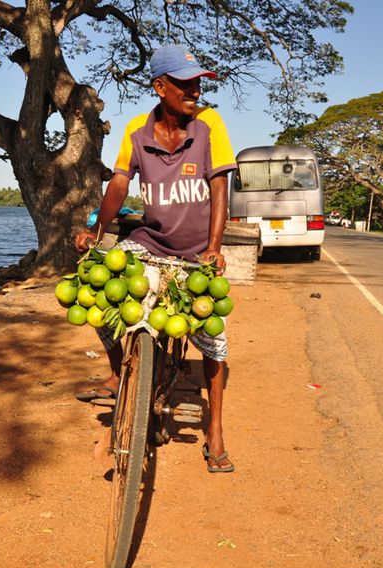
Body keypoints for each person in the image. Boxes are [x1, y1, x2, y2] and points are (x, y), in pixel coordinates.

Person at [73, 45, 236, 473]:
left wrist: (214, 247)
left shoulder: (209, 124)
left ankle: (215, 430)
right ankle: (118, 370)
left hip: (198, 250)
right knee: (97, 294)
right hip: (151, 243)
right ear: (160, 87)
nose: (194, 90)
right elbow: (119, 186)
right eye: (184, 83)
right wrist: (98, 232)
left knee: (214, 342)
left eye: (198, 82)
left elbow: (220, 187)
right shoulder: (135, 132)